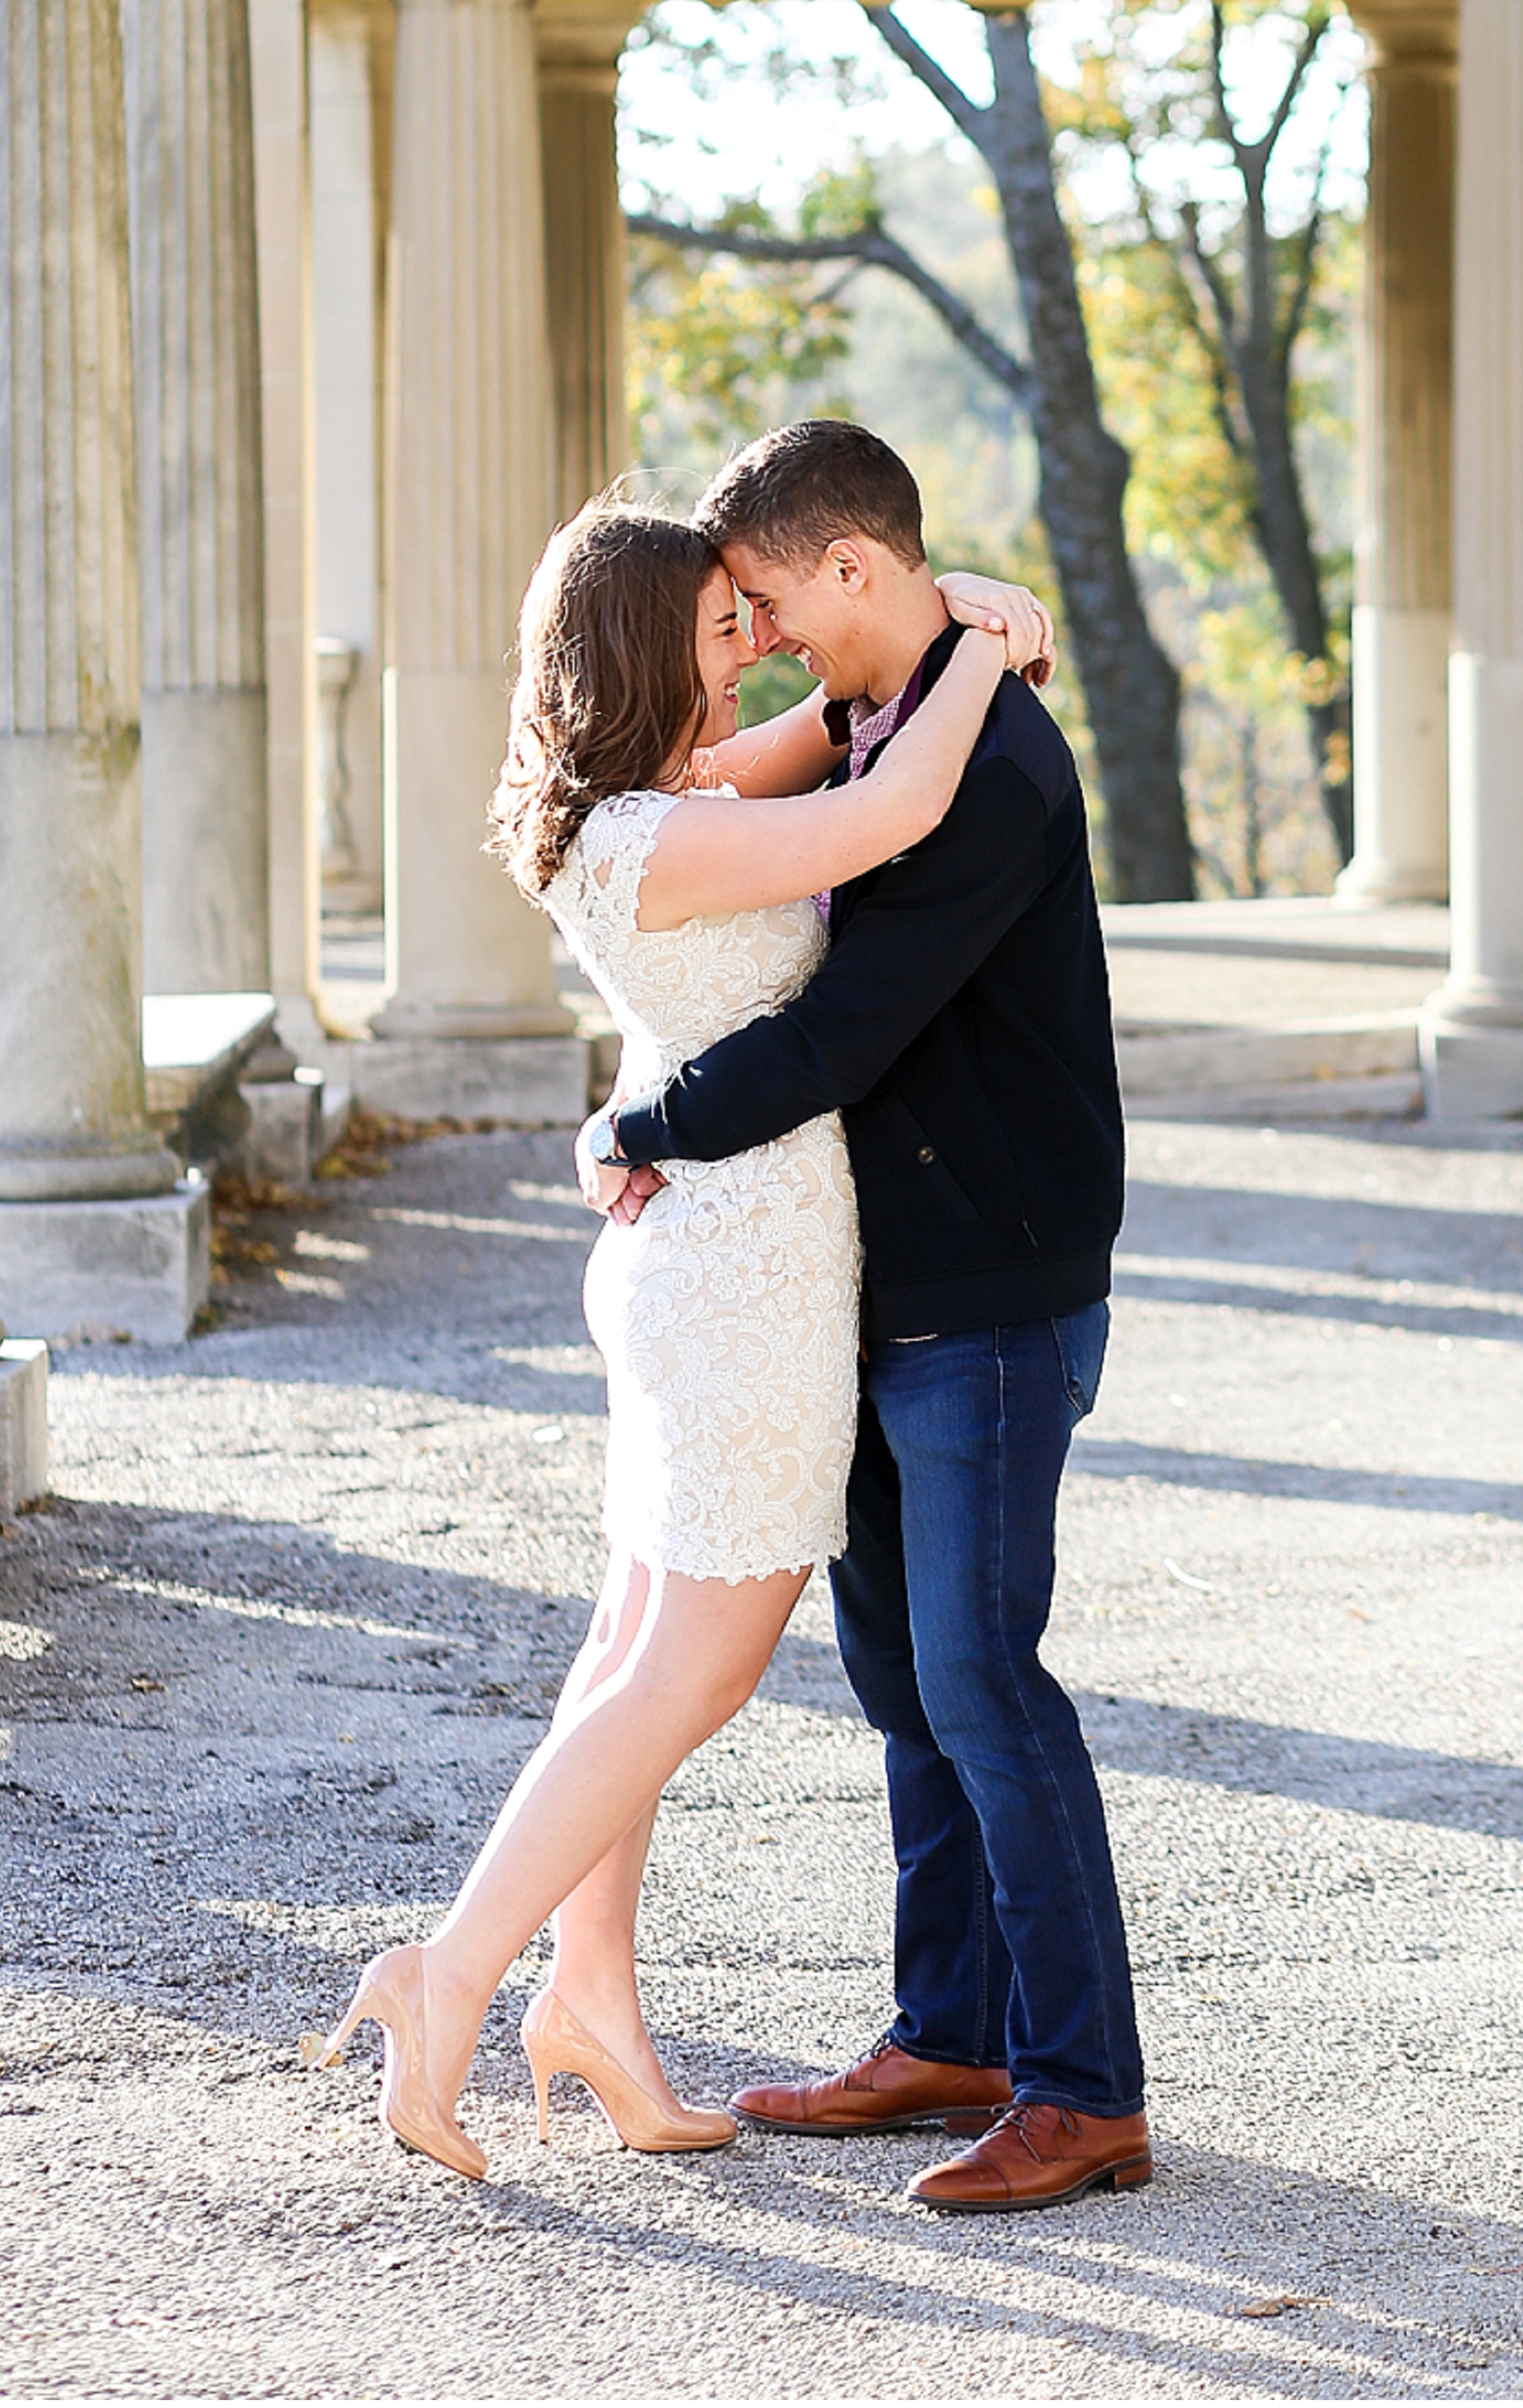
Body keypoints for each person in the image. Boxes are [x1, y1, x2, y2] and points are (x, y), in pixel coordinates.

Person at [317, 494, 1050, 2180]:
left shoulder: (644, 802)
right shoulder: (659, 832)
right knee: (692, 1668)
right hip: (742, 1277)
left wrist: (957, 614)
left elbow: (825, 731)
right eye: (727, 625)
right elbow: (902, 795)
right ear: (652, 644)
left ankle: (595, 2006)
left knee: (624, 1652)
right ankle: (449, 1968)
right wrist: (992, 652)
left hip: (712, 1255)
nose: (759, 644)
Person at [577, 418, 1150, 2215]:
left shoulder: (985, 764)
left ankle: (1083, 2088)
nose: (760, 638)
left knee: (985, 1677)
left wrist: (647, 1121)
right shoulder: (892, 717)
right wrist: (974, 623)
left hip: (993, 1292)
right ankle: (952, 2031)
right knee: (907, 1679)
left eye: (770, 601)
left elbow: (852, 1024)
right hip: (884, 1292)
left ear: (850, 566)